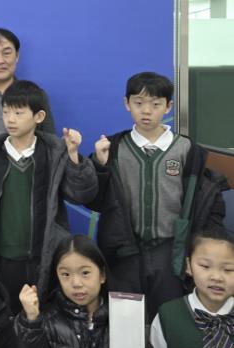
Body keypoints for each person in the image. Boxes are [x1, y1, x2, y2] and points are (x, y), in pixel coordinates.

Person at [0, 80, 97, 312]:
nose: (10, 119)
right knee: (1, 315)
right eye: (6, 112)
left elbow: (82, 194)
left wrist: (73, 157)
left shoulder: (54, 152)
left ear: (39, 117)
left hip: (44, 256)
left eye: (18, 113)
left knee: (38, 316)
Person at [86, 71, 229, 320]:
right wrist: (99, 166)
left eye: (155, 104)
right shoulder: (113, 147)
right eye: (138, 103)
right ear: (126, 104)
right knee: (125, 319)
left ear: (168, 106)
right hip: (124, 251)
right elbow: (94, 200)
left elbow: (202, 200)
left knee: (170, 316)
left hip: (170, 250)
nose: (146, 111)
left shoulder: (187, 150)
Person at [15, 234, 171, 348]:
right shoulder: (47, 320)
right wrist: (31, 321)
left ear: (102, 275)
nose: (76, 283)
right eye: (65, 274)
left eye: (85, 273)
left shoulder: (127, 319)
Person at [151, 229, 234, 348]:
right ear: (188, 266)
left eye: (228, 269)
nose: (216, 277)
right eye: (205, 266)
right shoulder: (169, 316)